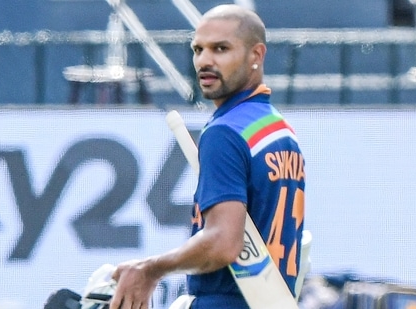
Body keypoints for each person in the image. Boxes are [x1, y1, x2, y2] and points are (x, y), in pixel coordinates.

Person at [108, 4, 306, 309]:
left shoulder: (225, 132)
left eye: (220, 49)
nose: (204, 61)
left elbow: (222, 243)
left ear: (256, 55)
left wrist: (151, 269)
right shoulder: (279, 129)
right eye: (198, 49)